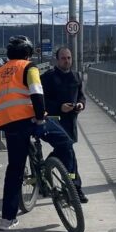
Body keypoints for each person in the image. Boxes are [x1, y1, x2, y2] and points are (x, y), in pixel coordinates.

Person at [0, 35, 80, 230]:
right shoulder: (28, 67)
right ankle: (53, 165)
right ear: (28, 53)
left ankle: (7, 219)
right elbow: (37, 93)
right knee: (65, 143)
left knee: (15, 170)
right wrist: (40, 117)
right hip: (31, 120)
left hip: (9, 125)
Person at [40, 46, 88, 203]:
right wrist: (59, 107)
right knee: (68, 154)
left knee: (65, 152)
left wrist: (80, 104)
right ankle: (75, 188)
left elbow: (81, 96)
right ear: (57, 60)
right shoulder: (48, 77)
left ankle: (46, 168)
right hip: (54, 122)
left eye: (69, 58)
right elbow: (41, 101)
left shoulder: (76, 76)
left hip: (70, 121)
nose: (67, 61)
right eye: (63, 58)